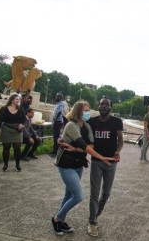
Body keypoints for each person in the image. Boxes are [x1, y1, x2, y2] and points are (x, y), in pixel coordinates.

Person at [52, 101, 116, 236]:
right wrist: (102, 157)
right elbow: (85, 146)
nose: (87, 112)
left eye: (88, 109)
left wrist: (75, 148)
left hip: (78, 164)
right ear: (77, 111)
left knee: (68, 195)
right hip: (66, 163)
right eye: (84, 110)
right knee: (78, 196)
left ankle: (61, 221)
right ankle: (56, 218)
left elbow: (91, 145)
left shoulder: (87, 125)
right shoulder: (71, 125)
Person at [87, 98, 123, 237]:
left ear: (110, 107)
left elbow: (120, 139)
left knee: (106, 194)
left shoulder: (116, 122)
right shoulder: (92, 122)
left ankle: (95, 215)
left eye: (106, 104)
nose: (103, 106)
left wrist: (117, 151)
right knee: (94, 194)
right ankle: (92, 223)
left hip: (111, 162)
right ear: (98, 106)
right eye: (101, 103)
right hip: (96, 161)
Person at [0, 93, 26, 172]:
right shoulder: (4, 109)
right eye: (16, 99)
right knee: (6, 147)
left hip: (17, 130)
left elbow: (24, 119)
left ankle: (17, 164)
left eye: (18, 99)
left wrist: (22, 124)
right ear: (12, 100)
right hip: (6, 129)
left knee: (17, 147)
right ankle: (5, 164)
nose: (18, 100)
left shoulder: (20, 108)